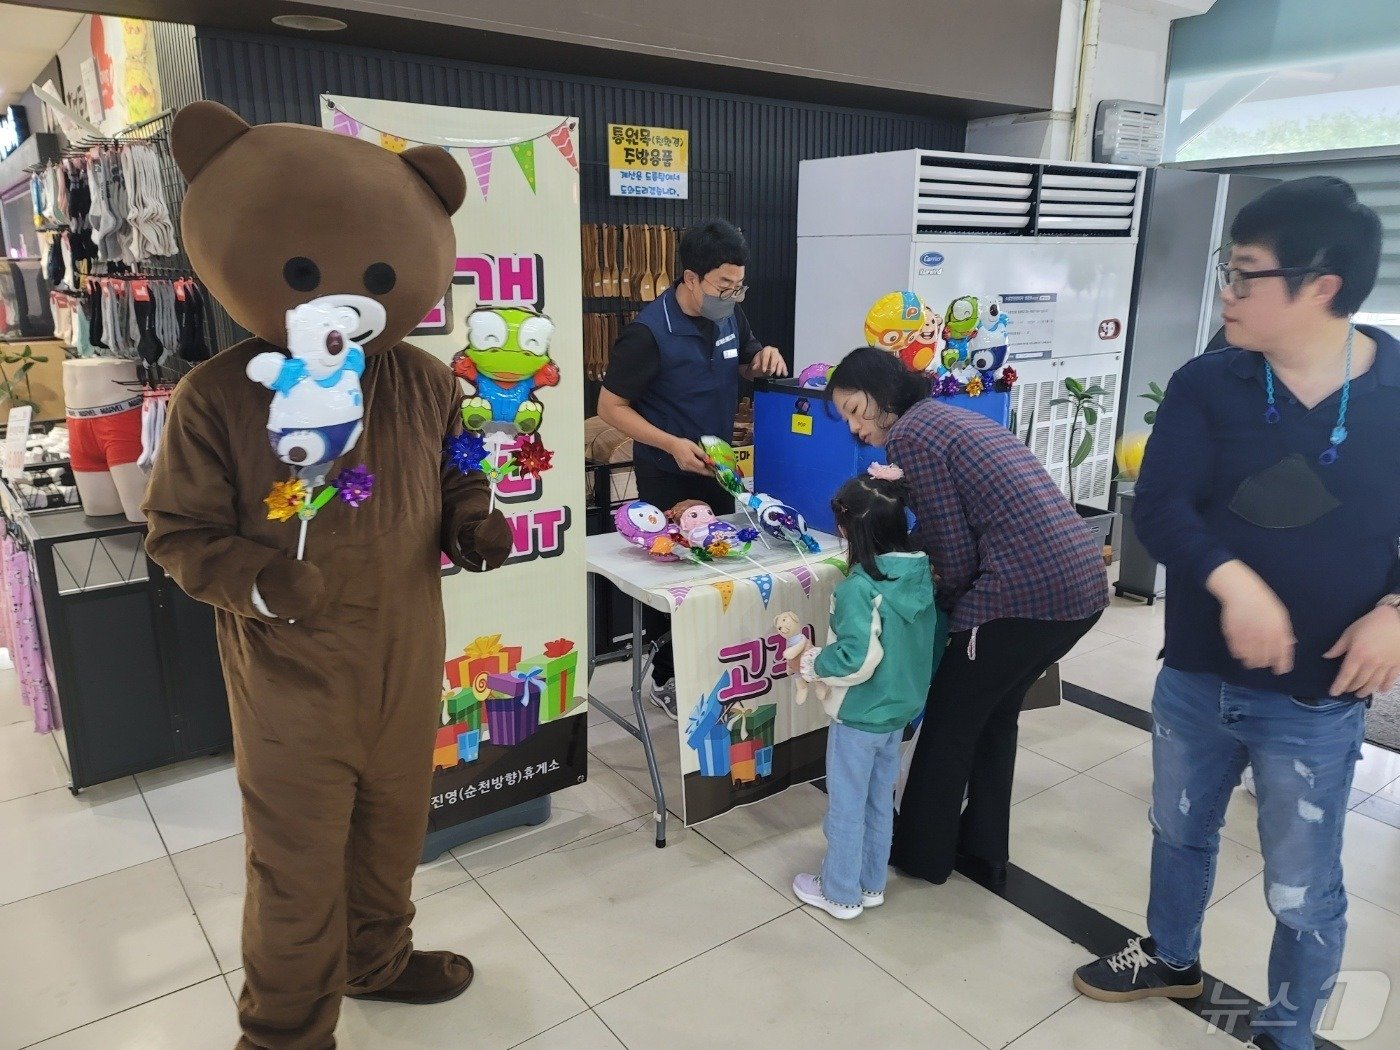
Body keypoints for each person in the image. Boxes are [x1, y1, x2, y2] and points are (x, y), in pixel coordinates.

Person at [1074, 177, 1400, 1050]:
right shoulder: (1209, 381)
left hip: (1315, 695)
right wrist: (1233, 581)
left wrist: (1397, 609)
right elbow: (1163, 507)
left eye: (1245, 274)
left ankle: (1291, 1029)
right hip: (1195, 675)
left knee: (1301, 885)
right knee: (1179, 830)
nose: (1224, 291)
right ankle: (1171, 954)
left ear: (1320, 285)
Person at [827, 347, 1107, 887]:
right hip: (1079, 589)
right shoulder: (948, 417)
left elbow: (953, 558)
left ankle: (922, 856)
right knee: (993, 718)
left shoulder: (912, 436)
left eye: (858, 410)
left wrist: (909, 597)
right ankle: (981, 845)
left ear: (886, 396)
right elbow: (950, 528)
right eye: (847, 420)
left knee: (949, 728)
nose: (858, 428)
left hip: (1022, 596)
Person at [598, 219, 788, 717]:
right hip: (668, 471)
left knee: (720, 568)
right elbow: (610, 408)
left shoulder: (729, 317)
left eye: (739, 285)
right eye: (723, 286)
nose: (733, 296)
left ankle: (711, 665)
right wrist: (671, 444)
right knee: (674, 580)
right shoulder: (648, 333)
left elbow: (744, 359)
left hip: (717, 467)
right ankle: (667, 676)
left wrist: (762, 356)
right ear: (689, 277)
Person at [792, 463, 941, 919]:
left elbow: (857, 658)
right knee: (879, 801)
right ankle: (871, 882)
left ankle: (839, 892)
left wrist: (814, 660)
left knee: (847, 805)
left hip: (860, 715)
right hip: (899, 712)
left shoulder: (860, 588)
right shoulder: (919, 575)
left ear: (852, 530)